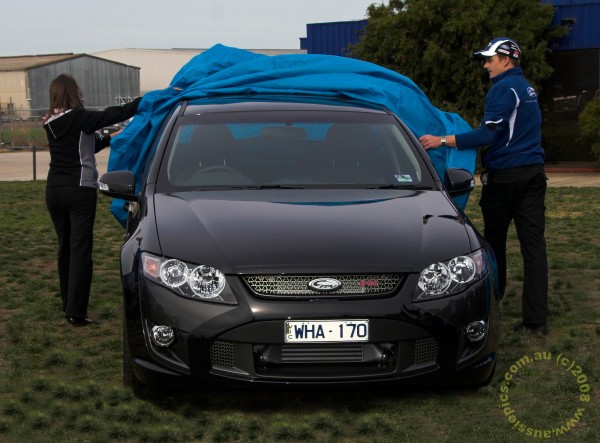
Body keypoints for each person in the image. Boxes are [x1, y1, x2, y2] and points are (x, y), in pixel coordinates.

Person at [418, 38, 548, 335]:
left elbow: (488, 135)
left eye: (489, 59)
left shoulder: (502, 89)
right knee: (534, 247)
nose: (486, 65)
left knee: (494, 244)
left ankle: (494, 303)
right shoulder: (527, 88)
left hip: (505, 177)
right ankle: (537, 320)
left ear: (505, 59)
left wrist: (442, 140)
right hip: (534, 174)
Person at [43, 74, 142, 326]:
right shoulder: (79, 117)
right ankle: (77, 312)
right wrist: (145, 101)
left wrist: (110, 138)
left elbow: (84, 145)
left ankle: (68, 303)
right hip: (79, 190)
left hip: (54, 190)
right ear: (71, 92)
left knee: (65, 248)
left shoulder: (51, 121)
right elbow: (114, 113)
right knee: (81, 250)